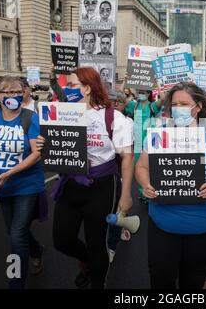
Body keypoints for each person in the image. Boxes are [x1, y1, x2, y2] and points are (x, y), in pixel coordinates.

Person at [135, 82, 206, 289]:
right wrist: (146, 184)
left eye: (184, 103)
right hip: (163, 222)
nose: (178, 108)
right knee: (160, 279)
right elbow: (141, 167)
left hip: (204, 223)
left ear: (198, 106)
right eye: (174, 104)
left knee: (193, 281)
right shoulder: (159, 130)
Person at [38, 67, 134, 289]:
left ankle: (98, 282)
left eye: (71, 85)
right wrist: (41, 145)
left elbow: (127, 158)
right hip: (71, 183)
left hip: (102, 186)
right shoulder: (60, 114)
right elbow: (52, 147)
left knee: (96, 242)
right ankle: (90, 262)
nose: (66, 88)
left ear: (87, 88)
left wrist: (126, 195)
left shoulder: (114, 118)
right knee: (62, 240)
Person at [0, 76, 45, 289]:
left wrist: (9, 174)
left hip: (26, 185)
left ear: (23, 93)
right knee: (15, 232)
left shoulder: (30, 118)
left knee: (16, 235)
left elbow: (36, 154)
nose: (12, 96)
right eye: (7, 92)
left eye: (17, 91)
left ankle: (16, 282)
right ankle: (36, 250)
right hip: (1, 186)